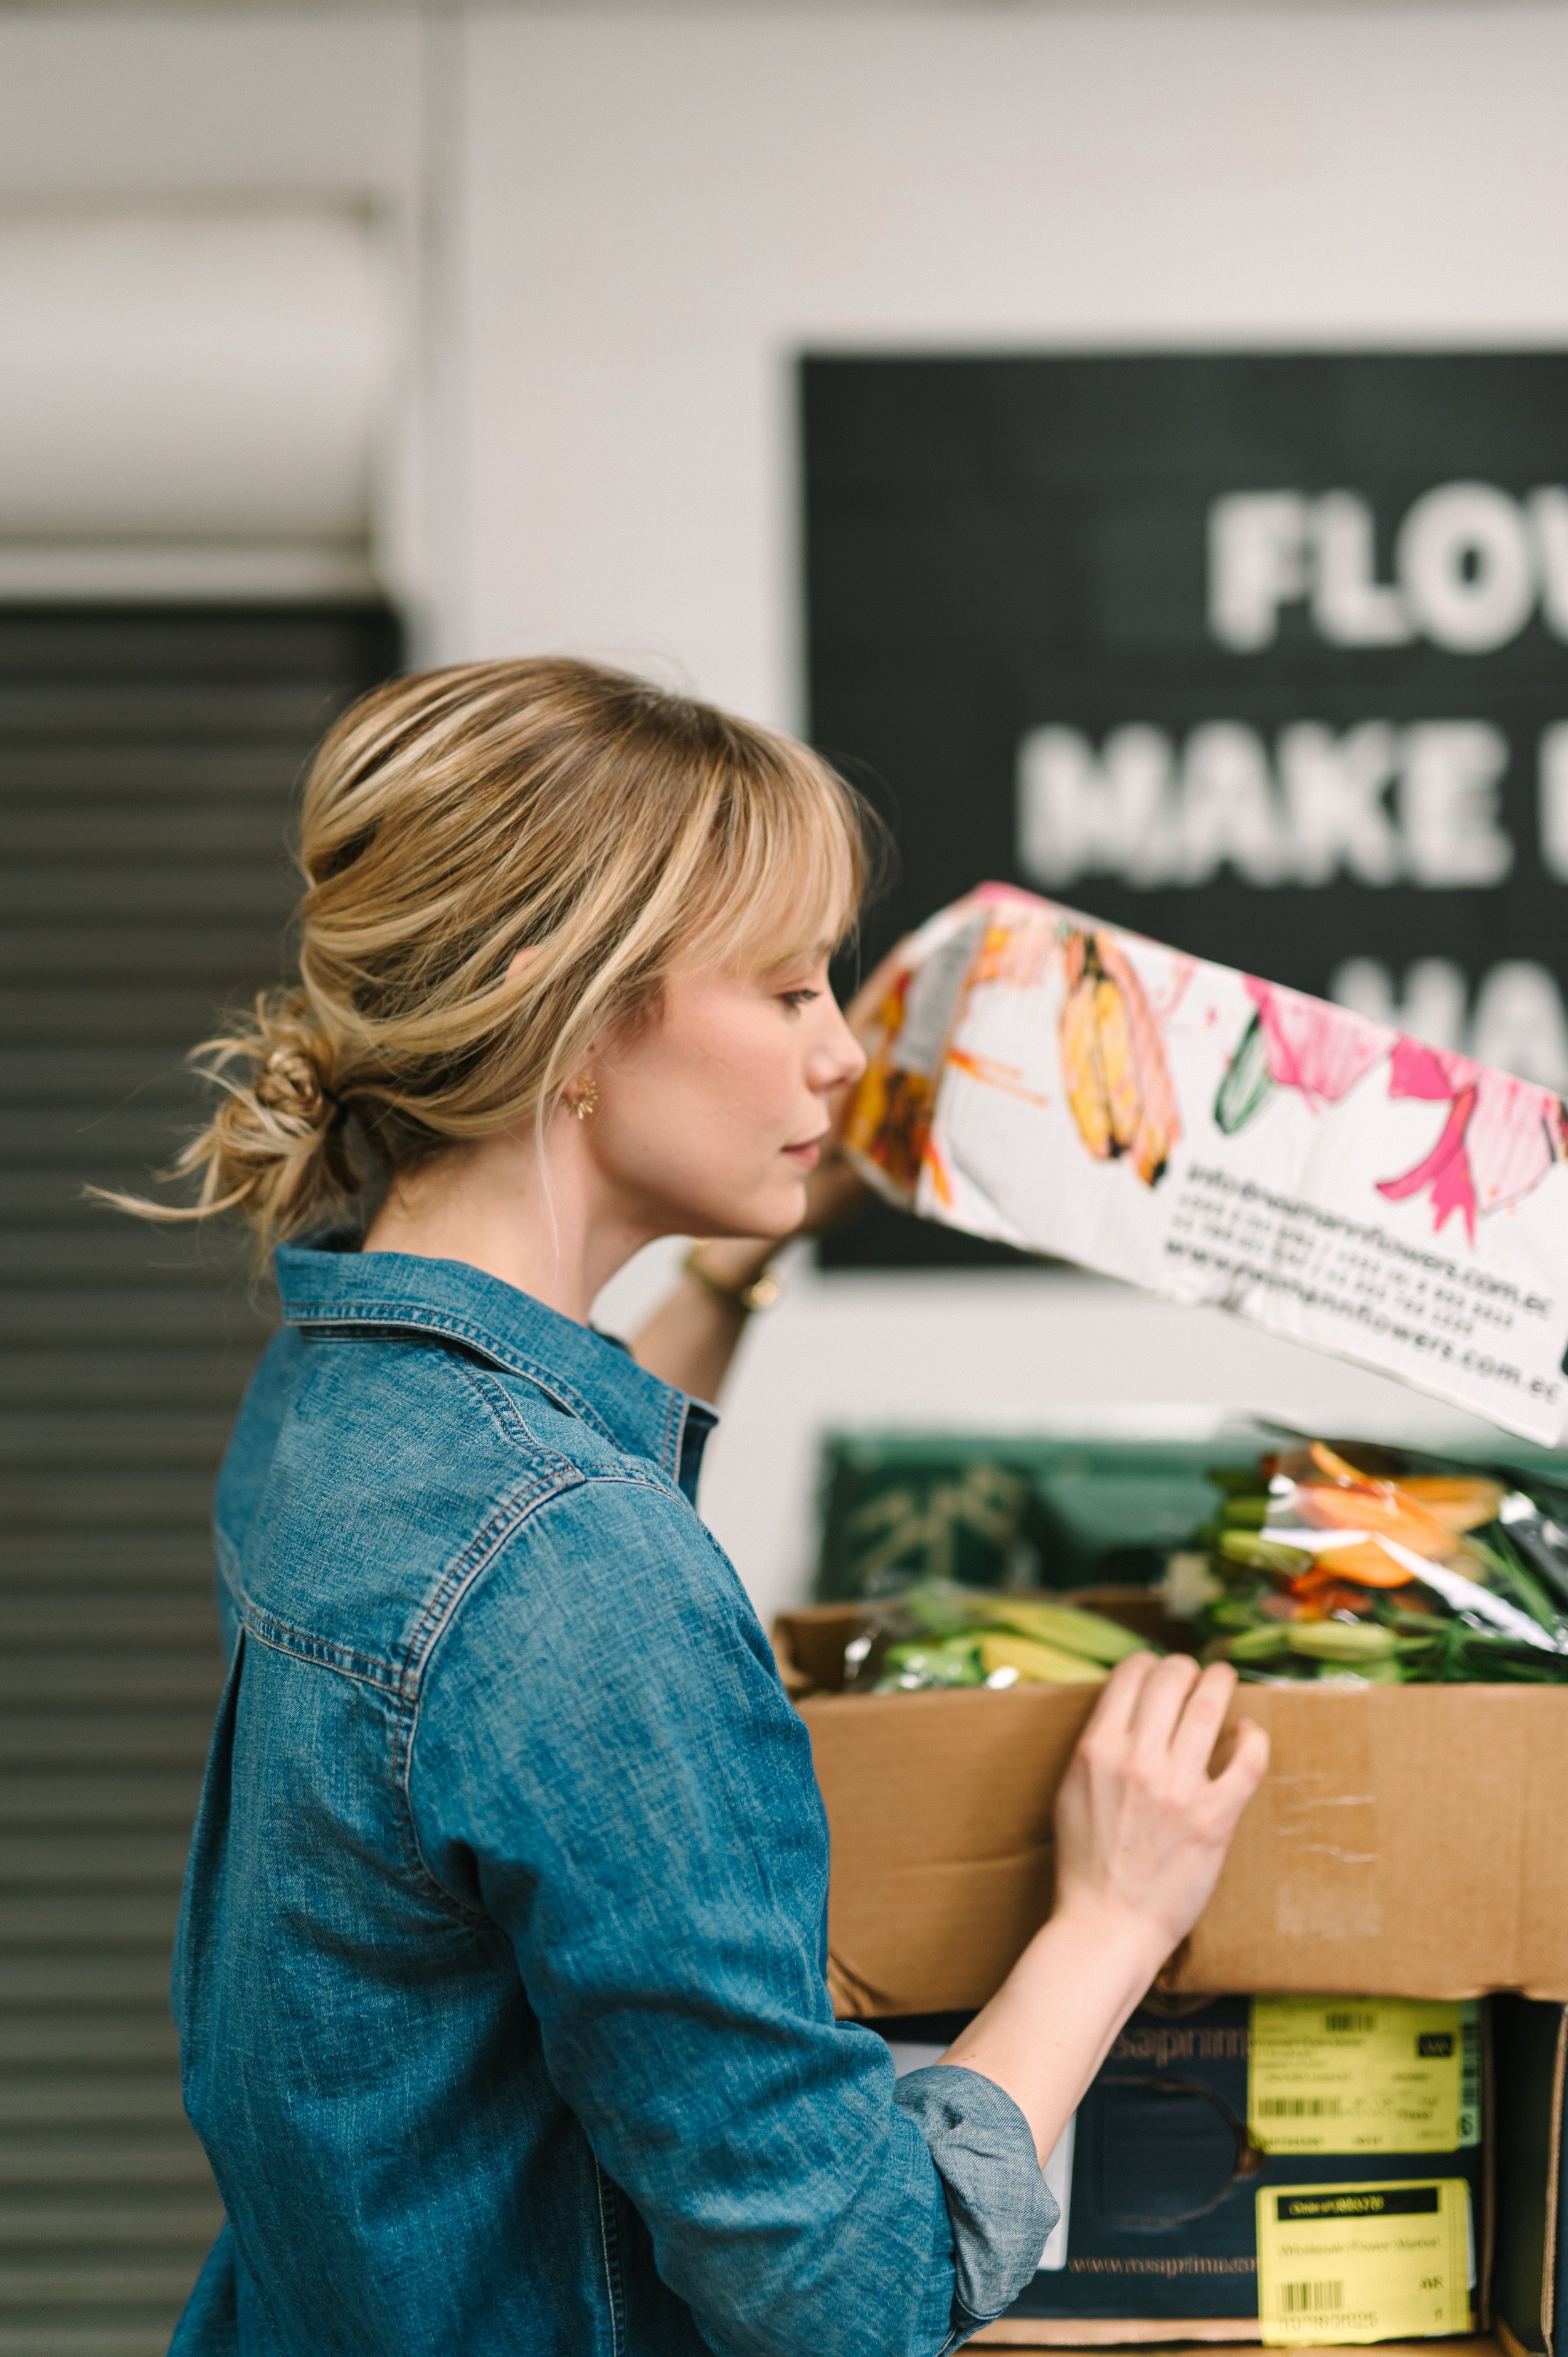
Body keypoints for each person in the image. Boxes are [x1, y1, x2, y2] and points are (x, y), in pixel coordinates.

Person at [117, 657, 1269, 2357]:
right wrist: (1110, 1919)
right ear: (574, 1014)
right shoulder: (574, 1567)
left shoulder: (341, 1396)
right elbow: (848, 2297)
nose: (839, 1053)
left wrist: (736, 1265)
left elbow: (506, 1590)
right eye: (793, 990)